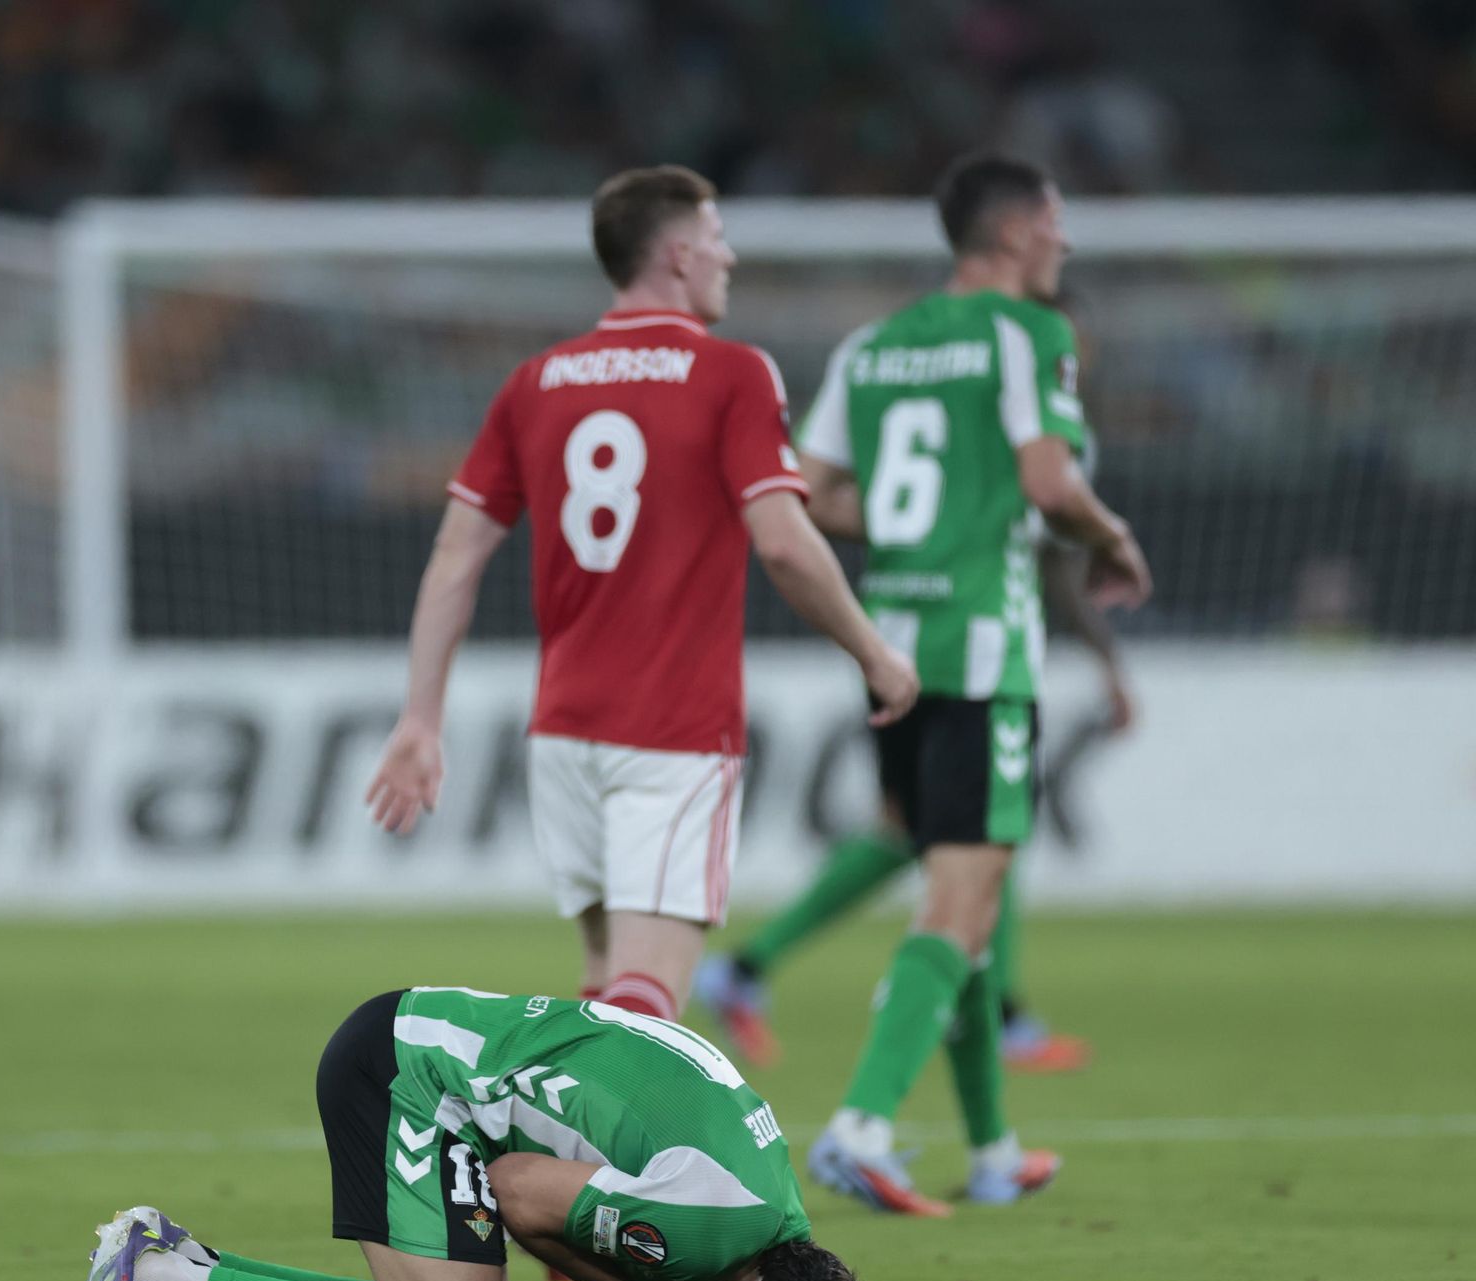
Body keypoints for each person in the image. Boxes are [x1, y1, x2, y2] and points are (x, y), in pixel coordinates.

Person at [365, 166, 917, 1025]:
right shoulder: (732, 373)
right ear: (680, 253)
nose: (729, 255)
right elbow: (783, 540)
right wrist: (874, 652)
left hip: (562, 735)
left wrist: (419, 719)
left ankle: (568, 1159)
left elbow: (456, 558)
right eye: (719, 236)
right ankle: (560, 1161)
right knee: (646, 1010)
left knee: (603, 988)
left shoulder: (536, 381)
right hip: (675, 730)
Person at [773, 151, 1152, 1216]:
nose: (1065, 242)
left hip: (889, 650)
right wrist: (1112, 537)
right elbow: (1047, 480)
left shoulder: (873, 346)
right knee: (960, 899)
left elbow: (809, 495)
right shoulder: (1030, 334)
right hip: (983, 653)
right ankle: (860, 1124)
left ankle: (991, 1149)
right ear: (1019, 230)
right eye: (1056, 221)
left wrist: (913, 528)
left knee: (967, 896)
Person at [64, 986, 874, 1281]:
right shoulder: (705, 1233)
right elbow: (518, 1188)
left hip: (423, 1050)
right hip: (408, 1079)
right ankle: (155, 1280)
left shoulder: (775, 1209)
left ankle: (184, 1260)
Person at [694, 523, 1137, 1075]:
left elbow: (823, 495)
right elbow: (1053, 562)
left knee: (909, 830)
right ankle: (997, 1018)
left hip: (896, 639)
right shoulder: (1025, 450)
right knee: (987, 827)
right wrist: (1109, 633)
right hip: (972, 659)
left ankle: (744, 969)